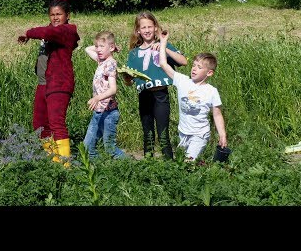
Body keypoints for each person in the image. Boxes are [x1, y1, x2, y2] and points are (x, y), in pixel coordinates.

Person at [18, 0, 89, 166]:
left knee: (56, 123)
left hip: (59, 82)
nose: (55, 17)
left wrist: (27, 32)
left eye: (59, 14)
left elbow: (46, 31)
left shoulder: (67, 31)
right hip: (44, 83)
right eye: (52, 15)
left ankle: (64, 165)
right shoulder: (55, 25)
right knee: (40, 125)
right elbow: (59, 2)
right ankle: (52, 161)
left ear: (68, 16)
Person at [122, 11, 187, 159]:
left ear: (155, 27)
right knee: (148, 133)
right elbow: (129, 82)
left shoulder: (163, 46)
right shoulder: (133, 53)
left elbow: (183, 61)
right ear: (138, 31)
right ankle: (149, 163)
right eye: (143, 27)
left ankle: (169, 163)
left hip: (160, 95)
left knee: (163, 132)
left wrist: (164, 47)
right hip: (144, 96)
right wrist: (126, 77)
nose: (147, 30)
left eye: (149, 27)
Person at [159, 30, 227, 161]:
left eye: (199, 67)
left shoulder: (211, 91)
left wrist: (222, 134)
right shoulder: (183, 81)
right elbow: (163, 64)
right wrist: (163, 42)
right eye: (194, 65)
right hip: (183, 133)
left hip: (200, 134)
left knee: (187, 162)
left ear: (209, 73)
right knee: (185, 161)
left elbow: (217, 114)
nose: (194, 69)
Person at [83, 31, 126, 160]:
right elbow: (87, 48)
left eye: (102, 47)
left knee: (110, 149)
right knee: (87, 146)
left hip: (109, 113)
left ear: (111, 47)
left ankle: (131, 165)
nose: (98, 50)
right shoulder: (100, 61)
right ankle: (95, 170)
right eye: (97, 46)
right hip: (98, 112)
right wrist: (107, 47)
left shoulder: (111, 64)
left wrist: (97, 98)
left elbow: (113, 89)